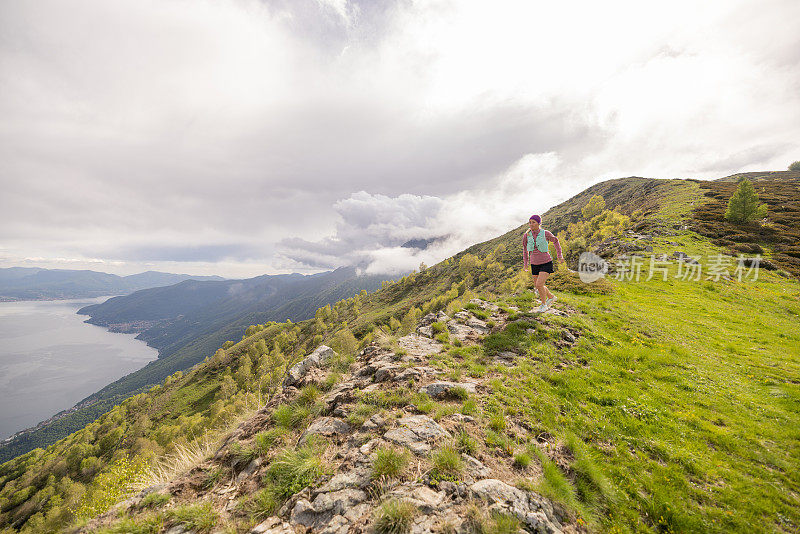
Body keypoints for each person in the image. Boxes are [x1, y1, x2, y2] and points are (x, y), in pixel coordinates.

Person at [522, 214, 564, 312]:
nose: (531, 224)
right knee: (538, 285)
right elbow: (525, 250)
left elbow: (556, 241)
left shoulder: (545, 233)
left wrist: (559, 255)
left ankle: (544, 305)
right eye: (530, 222)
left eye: (533, 222)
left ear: (539, 223)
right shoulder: (526, 235)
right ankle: (551, 297)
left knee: (539, 284)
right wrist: (525, 264)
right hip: (534, 263)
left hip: (546, 262)